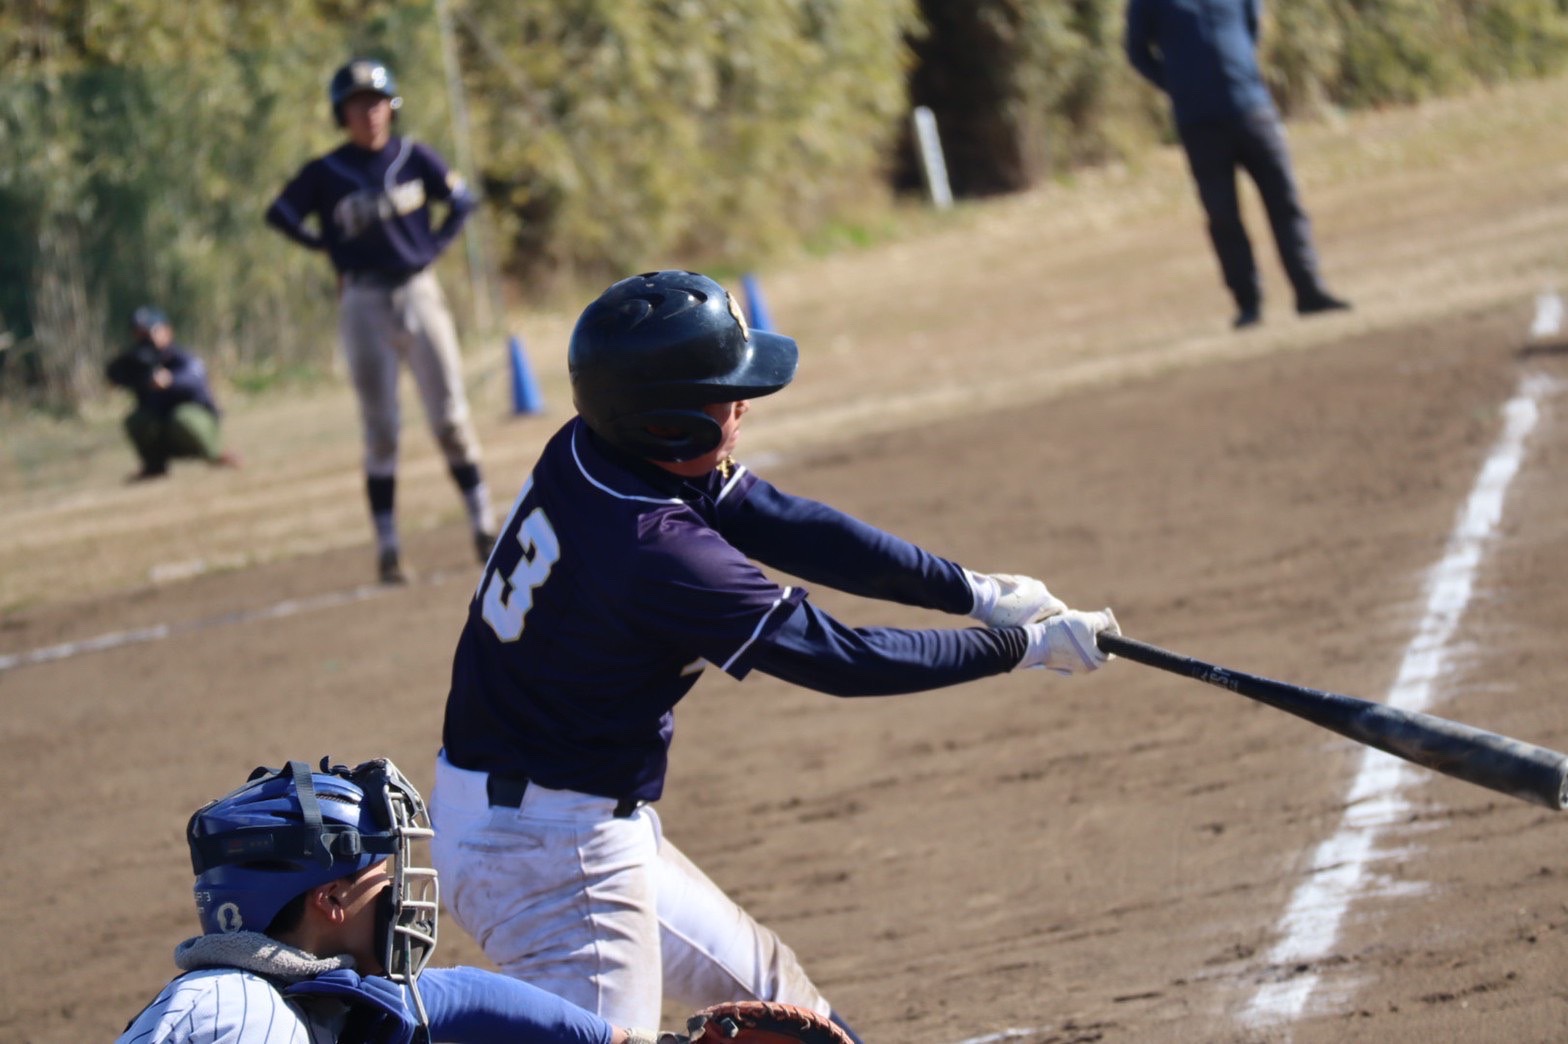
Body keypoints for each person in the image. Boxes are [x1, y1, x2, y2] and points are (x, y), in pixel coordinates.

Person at [430, 270, 1123, 1041]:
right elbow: (841, 659)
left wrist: (975, 592)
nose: (744, 406)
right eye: (727, 395)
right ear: (668, 425)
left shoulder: (597, 449)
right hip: (545, 859)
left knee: (782, 1006)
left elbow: (787, 524)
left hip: (559, 824)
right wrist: (1020, 648)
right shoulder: (654, 552)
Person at [116, 754, 705, 1044]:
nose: (400, 894)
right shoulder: (234, 1017)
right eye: (381, 874)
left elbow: (463, 998)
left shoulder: (300, 994)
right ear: (331, 900)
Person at [265, 57, 495, 585]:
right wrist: (324, 246)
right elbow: (281, 213)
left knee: (451, 420)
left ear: (390, 106)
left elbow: (461, 200)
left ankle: (483, 526)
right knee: (382, 429)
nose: (367, 113)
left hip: (419, 291)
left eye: (375, 101)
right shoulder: (327, 172)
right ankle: (389, 548)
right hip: (363, 301)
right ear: (340, 113)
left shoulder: (415, 156)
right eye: (356, 104)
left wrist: (433, 245)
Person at [1124, 0, 1351, 329]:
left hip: (1252, 110)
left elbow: (1251, 29)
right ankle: (1249, 303)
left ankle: (1309, 291)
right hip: (1199, 123)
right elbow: (1137, 52)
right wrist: (1178, 84)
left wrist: (1241, 69)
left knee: (1285, 202)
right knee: (1223, 214)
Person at [105, 306, 240, 481]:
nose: (145, 338)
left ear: (167, 331)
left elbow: (195, 378)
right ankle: (154, 466)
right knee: (137, 420)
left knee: (182, 417)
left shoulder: (180, 357)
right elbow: (114, 375)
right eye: (139, 333)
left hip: (198, 423)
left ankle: (216, 454)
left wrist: (170, 380)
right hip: (164, 428)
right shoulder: (138, 361)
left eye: (150, 331)